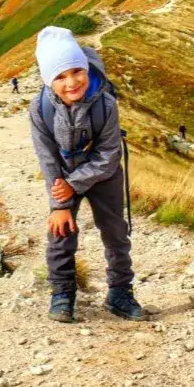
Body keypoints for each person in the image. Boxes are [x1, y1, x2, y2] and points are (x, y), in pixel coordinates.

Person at [29, 26, 143, 324]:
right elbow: (47, 156)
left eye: (77, 71)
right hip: (62, 175)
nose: (71, 82)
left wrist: (72, 184)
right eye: (60, 76)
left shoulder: (105, 103)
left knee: (115, 232)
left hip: (101, 175)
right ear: (47, 80)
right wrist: (59, 204)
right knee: (60, 230)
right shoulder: (39, 109)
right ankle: (62, 293)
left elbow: (108, 155)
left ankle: (120, 292)